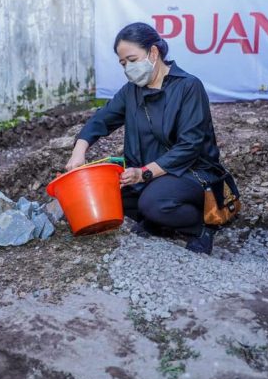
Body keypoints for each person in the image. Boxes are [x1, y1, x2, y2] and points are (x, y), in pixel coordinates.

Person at [66, 22, 224, 255]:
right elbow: (102, 119)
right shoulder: (131, 90)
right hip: (150, 174)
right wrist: (78, 152)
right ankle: (158, 219)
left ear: (153, 52)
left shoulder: (188, 87)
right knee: (107, 196)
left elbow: (190, 147)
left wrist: (143, 173)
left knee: (152, 203)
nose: (128, 68)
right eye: (123, 64)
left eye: (132, 60)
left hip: (192, 172)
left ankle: (202, 226)